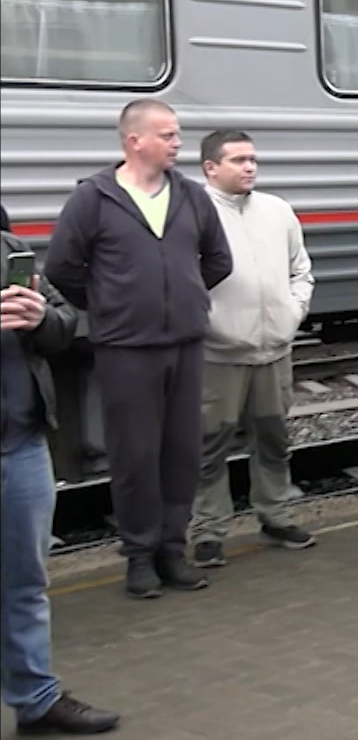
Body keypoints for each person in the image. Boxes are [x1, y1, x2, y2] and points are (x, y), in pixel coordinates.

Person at [45, 100, 232, 599]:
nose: (177, 143)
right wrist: (110, 306)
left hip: (185, 344)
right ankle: (140, 556)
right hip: (126, 349)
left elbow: (218, 260)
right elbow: (62, 267)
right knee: (135, 456)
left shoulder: (191, 197)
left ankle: (174, 550)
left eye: (176, 135)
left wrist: (184, 298)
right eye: (167, 135)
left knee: (181, 452)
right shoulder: (94, 199)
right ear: (135, 141)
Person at [2, 208, 119, 735]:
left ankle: (37, 697)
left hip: (21, 443)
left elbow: (63, 322)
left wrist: (39, 319)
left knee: (26, 581)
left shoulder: (6, 246)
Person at [190, 130, 318, 568]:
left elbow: (301, 270)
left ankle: (276, 515)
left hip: (274, 351)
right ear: (211, 168)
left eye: (252, 160)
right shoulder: (194, 213)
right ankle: (208, 531)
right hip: (218, 355)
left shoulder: (276, 211)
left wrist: (293, 312)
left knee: (274, 438)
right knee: (210, 444)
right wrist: (210, 325)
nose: (250, 167)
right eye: (238, 160)